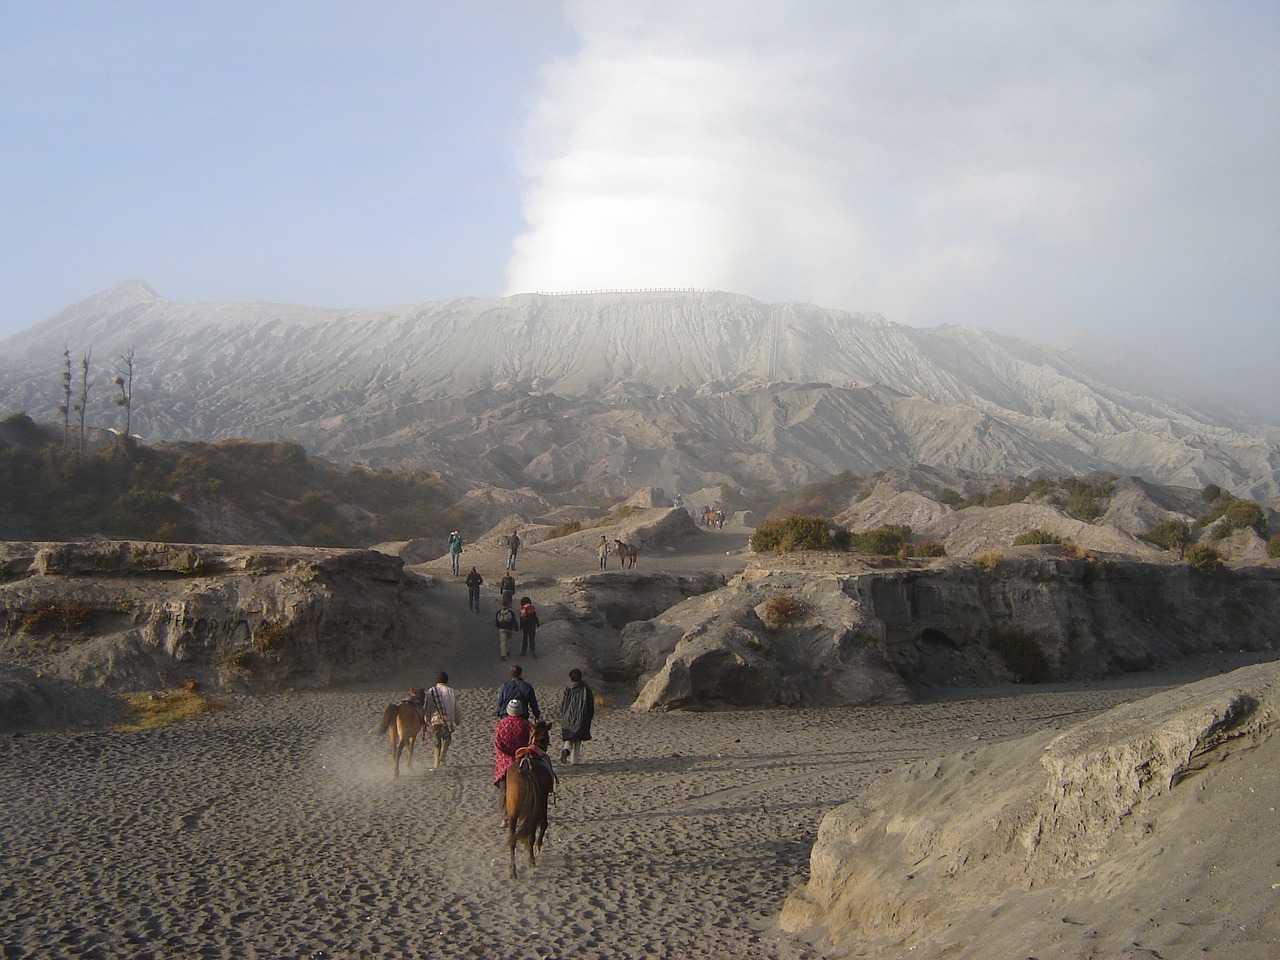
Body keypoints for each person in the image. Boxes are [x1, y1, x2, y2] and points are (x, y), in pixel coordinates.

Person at [558, 668, 595, 765]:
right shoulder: (586, 689)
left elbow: (563, 703)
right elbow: (590, 704)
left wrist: (563, 714)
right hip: (581, 717)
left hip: (568, 717)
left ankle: (566, 750)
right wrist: (590, 716)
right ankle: (575, 761)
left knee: (570, 737)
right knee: (578, 740)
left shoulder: (568, 688)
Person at [426, 672, 462, 768]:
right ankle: (442, 756)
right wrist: (457, 719)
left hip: (435, 720)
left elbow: (428, 706)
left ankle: (436, 762)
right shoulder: (451, 691)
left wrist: (427, 717)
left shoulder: (431, 691)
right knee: (447, 738)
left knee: (436, 742)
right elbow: (456, 707)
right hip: (447, 720)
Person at [493, 698, 530, 787]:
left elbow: (497, 743)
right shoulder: (525, 725)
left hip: (504, 763)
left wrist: (505, 757)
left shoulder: (502, 724)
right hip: (520, 761)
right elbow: (527, 743)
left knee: (503, 790)